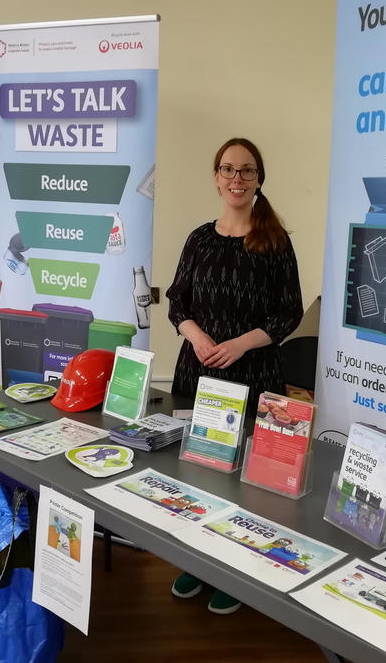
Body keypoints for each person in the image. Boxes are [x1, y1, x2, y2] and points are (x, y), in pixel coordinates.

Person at [165, 137, 304, 614]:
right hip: (197, 374)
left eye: (246, 170)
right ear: (216, 177)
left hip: (255, 376)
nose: (236, 178)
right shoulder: (199, 238)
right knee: (197, 471)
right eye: (228, 169)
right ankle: (199, 560)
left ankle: (239, 569)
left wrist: (240, 343)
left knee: (247, 479)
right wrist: (197, 338)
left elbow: (289, 314)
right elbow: (177, 302)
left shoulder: (275, 242)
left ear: (259, 178)